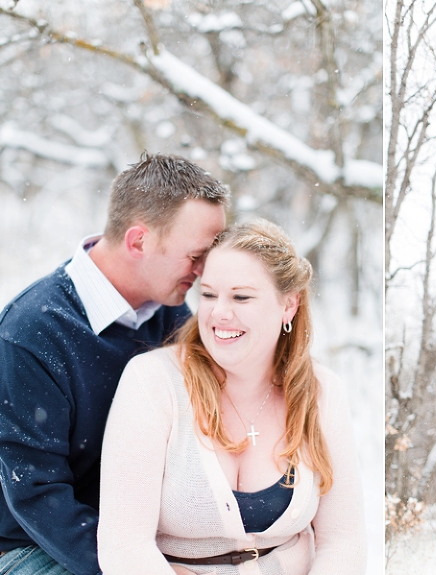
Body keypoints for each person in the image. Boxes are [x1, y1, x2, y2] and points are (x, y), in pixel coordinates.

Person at [0, 153, 229, 575]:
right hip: (39, 548)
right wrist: (136, 565)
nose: (203, 271)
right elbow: (35, 492)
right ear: (138, 241)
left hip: (141, 535)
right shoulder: (31, 334)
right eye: (195, 256)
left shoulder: (170, 315)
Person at [97, 219, 367, 575]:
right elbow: (125, 545)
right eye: (208, 294)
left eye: (241, 296)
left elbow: (344, 540)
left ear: (288, 305)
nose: (218, 313)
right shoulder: (153, 381)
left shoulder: (319, 391)